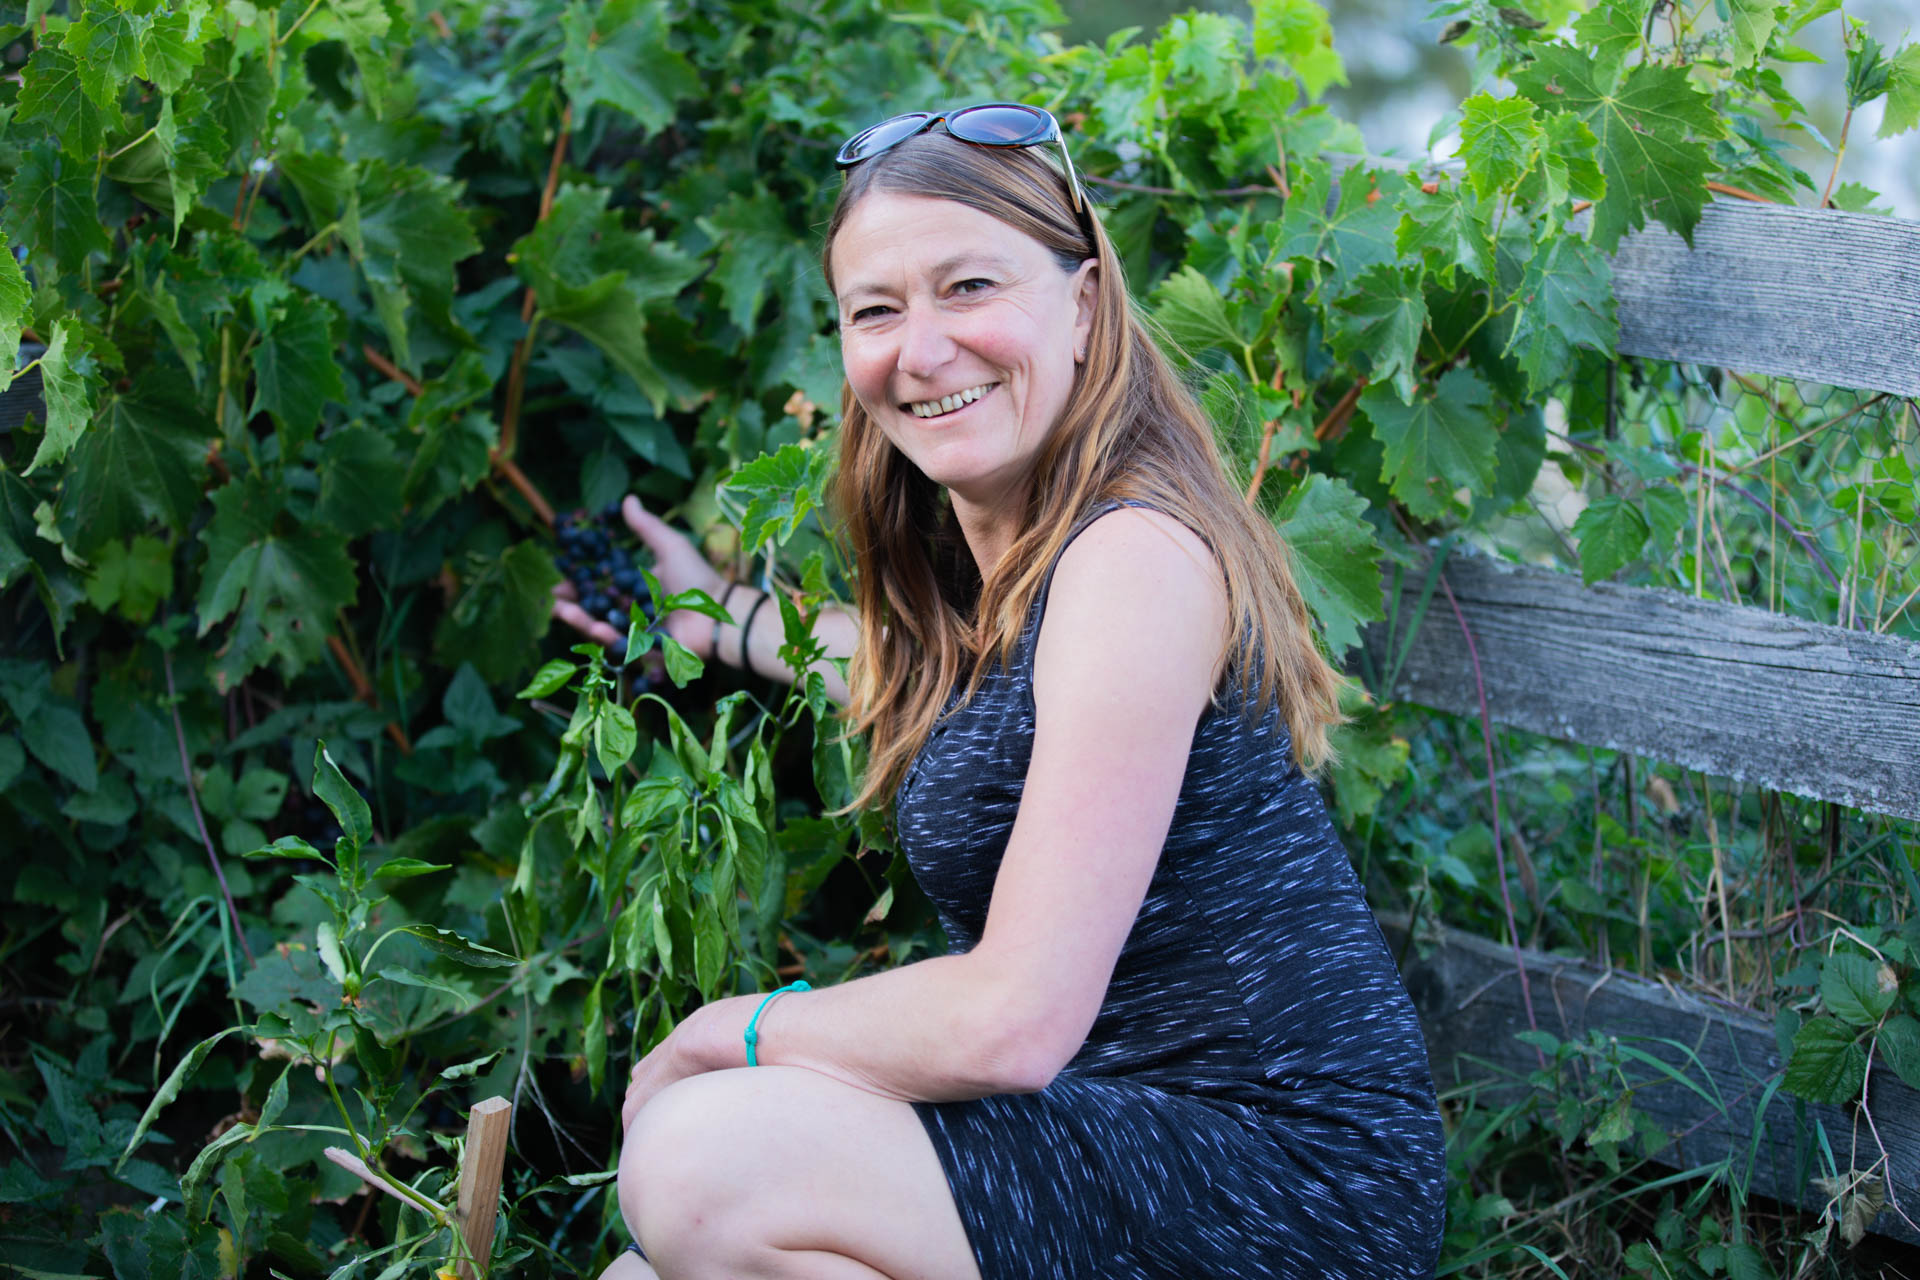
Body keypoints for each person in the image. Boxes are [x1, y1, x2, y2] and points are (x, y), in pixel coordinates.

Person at [561, 103, 1446, 1280]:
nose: (920, 350)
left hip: (1284, 1190)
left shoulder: (1131, 556)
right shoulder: (1017, 582)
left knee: (700, 1162)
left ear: (1083, 304)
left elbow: (1013, 1018)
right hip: (1134, 1140)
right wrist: (714, 618)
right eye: (875, 310)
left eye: (969, 286)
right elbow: (898, 666)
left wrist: (736, 1031)